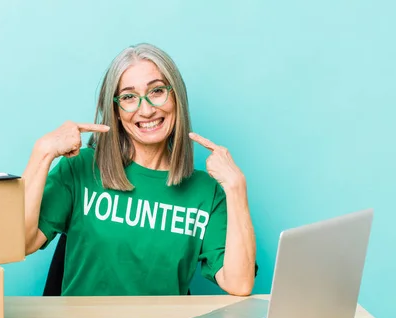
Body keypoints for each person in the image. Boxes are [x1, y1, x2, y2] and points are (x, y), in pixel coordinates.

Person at [22, 43, 257, 297]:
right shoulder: (81, 168)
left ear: (176, 98)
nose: (146, 110)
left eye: (157, 91)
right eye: (128, 97)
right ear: (116, 111)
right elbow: (20, 243)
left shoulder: (206, 192)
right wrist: (43, 152)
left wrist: (236, 187)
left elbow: (239, 283)